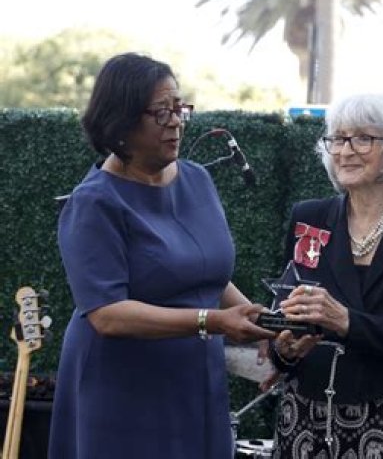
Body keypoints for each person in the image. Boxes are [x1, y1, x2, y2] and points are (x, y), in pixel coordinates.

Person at [48, 52, 278, 459]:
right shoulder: (93, 203)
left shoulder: (197, 180)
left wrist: (265, 326)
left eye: (179, 108)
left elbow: (207, 275)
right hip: (121, 389)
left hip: (194, 379)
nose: (175, 122)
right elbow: (107, 314)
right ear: (120, 122)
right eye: (160, 112)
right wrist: (212, 321)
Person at [266, 93, 383, 458]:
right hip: (304, 416)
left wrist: (346, 321)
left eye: (363, 138)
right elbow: (283, 317)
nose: (345, 151)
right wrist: (283, 350)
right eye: (338, 138)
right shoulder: (308, 217)